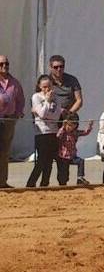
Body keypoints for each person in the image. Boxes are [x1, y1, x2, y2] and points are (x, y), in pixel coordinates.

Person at [26, 75, 62, 187]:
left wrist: (45, 114)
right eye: (44, 87)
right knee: (41, 160)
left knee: (49, 161)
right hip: (41, 133)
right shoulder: (36, 97)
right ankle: (31, 183)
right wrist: (47, 101)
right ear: (40, 87)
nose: (47, 89)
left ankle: (44, 183)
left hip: (53, 131)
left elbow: (56, 116)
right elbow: (41, 114)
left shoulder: (57, 98)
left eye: (49, 86)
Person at [0, 55, 25, 188]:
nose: (5, 66)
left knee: (5, 153)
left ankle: (2, 182)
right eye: (2, 64)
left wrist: (18, 113)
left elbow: (20, 100)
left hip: (8, 121)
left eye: (7, 63)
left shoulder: (15, 82)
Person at [55, 112, 93, 186]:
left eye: (72, 126)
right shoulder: (63, 132)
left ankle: (80, 178)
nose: (70, 127)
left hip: (72, 156)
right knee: (64, 175)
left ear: (75, 126)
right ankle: (63, 184)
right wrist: (63, 126)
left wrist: (90, 125)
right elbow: (58, 136)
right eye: (68, 125)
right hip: (63, 157)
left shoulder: (75, 132)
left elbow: (85, 132)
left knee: (81, 161)